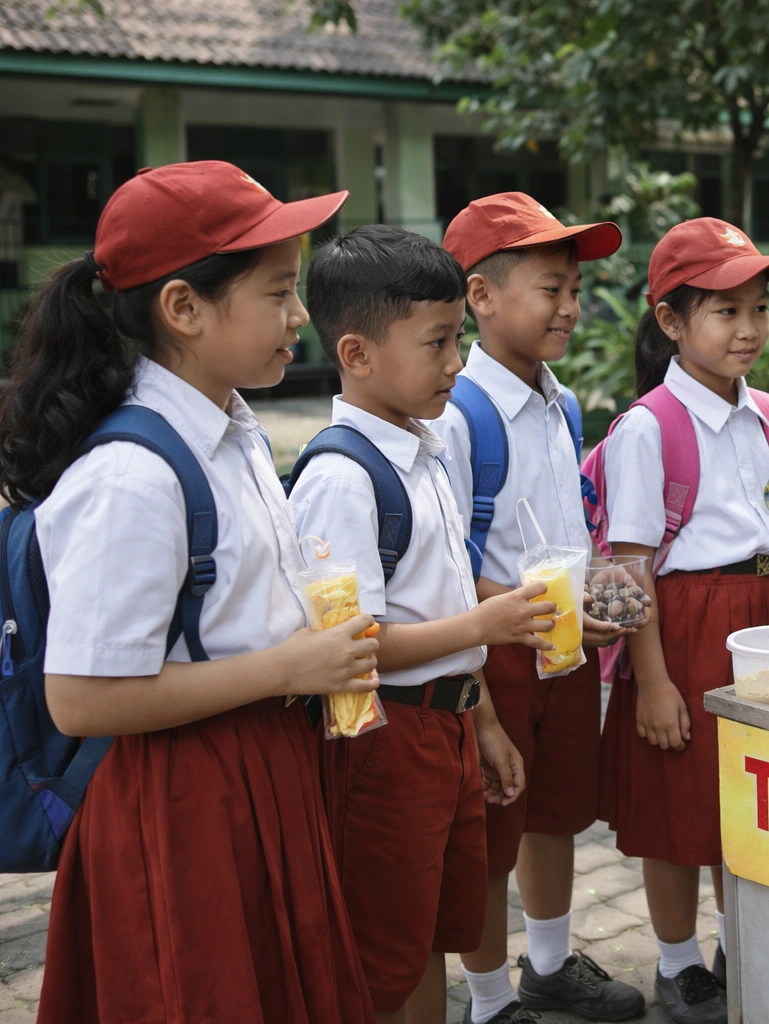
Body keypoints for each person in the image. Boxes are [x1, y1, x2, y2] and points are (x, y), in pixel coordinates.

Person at [5, 161, 378, 1023]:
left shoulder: (229, 428)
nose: (300, 317)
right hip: (183, 799)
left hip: (254, 768)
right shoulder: (131, 475)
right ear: (184, 308)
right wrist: (290, 666)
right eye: (281, 292)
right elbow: (83, 697)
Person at [288, 224, 557, 1024]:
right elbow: (350, 648)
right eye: (437, 342)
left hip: (445, 725)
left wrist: (482, 721)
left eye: (458, 339)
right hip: (384, 742)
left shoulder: (430, 446)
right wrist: (490, 622)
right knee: (385, 946)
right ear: (358, 353)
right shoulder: (341, 477)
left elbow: (437, 596)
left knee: (433, 930)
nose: (453, 363)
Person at [596, 218, 769, 1024]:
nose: (749, 329)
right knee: (678, 801)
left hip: (767, 610)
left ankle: (740, 940)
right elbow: (633, 564)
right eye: (725, 311)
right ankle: (677, 964)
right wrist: (653, 684)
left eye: (760, 309)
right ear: (672, 322)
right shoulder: (648, 427)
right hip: (682, 623)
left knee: (751, 787)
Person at [432, 192, 647, 1024]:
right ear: (479, 297)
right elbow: (443, 568)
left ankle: (550, 964)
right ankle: (488, 1000)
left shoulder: (560, 404)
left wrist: (587, 592)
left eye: (574, 289)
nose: (570, 306)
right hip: (496, 654)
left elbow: (565, 531)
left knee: (554, 808)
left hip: (564, 645)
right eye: (549, 288)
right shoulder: (458, 413)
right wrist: (535, 607)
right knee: (492, 827)